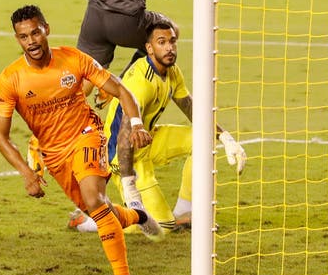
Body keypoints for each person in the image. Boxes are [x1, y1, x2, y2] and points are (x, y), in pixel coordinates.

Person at [0, 4, 164, 275]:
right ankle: (137, 216)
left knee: (93, 199)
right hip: (55, 155)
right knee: (100, 212)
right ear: (17, 39)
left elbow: (122, 90)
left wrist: (137, 124)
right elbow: (2, 138)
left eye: (35, 32)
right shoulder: (10, 79)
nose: (30, 40)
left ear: (47, 29)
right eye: (23, 36)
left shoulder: (74, 60)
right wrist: (26, 173)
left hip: (88, 134)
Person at [62, 19, 248, 234]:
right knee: (159, 228)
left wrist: (224, 137)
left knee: (203, 140)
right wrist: (129, 183)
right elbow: (124, 135)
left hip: (148, 139)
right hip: (122, 156)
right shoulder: (140, 83)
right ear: (149, 48)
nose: (169, 47)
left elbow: (190, 107)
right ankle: (89, 220)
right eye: (162, 42)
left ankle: (184, 212)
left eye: (172, 41)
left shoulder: (172, 71)